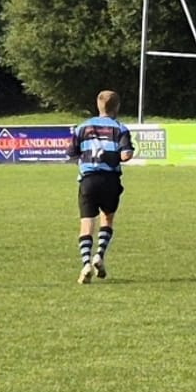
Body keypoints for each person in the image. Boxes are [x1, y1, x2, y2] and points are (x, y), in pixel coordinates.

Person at [67, 90, 135, 284]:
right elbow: (126, 155)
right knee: (107, 219)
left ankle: (86, 262)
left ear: (98, 106)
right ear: (117, 107)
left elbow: (71, 153)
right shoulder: (119, 129)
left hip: (88, 180)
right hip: (110, 180)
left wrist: (85, 162)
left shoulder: (82, 127)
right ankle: (99, 255)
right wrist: (113, 156)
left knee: (86, 223)